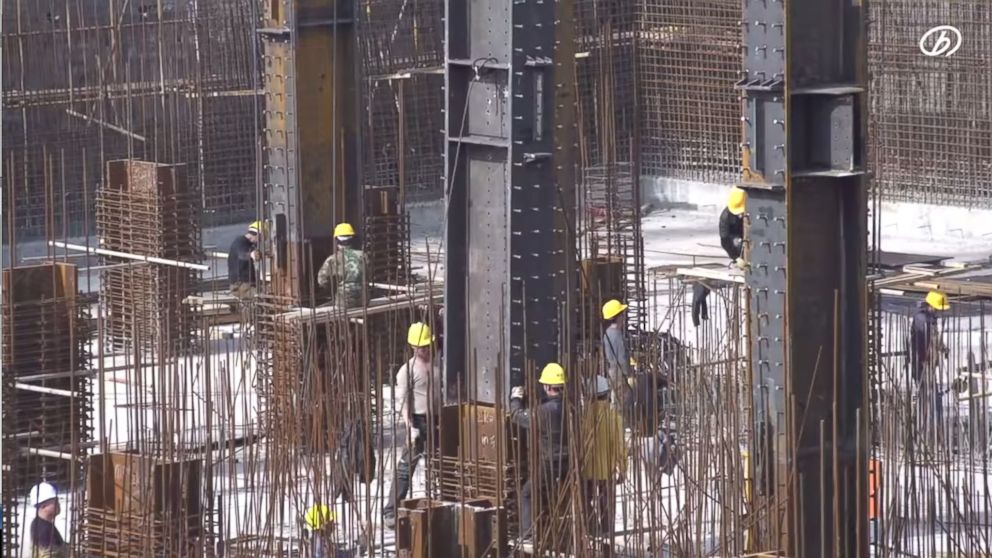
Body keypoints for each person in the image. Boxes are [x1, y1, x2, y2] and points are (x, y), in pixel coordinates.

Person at [382, 322, 442, 529]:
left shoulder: (436, 364)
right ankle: (391, 510)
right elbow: (404, 401)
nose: (425, 350)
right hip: (418, 420)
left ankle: (444, 501)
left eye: (428, 346)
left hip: (436, 420)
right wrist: (410, 428)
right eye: (422, 347)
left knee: (442, 463)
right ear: (414, 347)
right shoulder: (406, 371)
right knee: (406, 468)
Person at [509, 362, 569, 539]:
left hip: (550, 462)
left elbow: (517, 416)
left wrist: (516, 399)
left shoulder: (543, 412)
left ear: (548, 386)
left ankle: (527, 534)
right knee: (555, 493)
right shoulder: (571, 406)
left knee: (528, 493)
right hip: (569, 461)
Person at [581, 376, 627, 536]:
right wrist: (622, 468)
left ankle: (592, 529)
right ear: (607, 394)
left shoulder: (582, 416)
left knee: (585, 502)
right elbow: (620, 445)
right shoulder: (614, 416)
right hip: (607, 470)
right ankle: (607, 533)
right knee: (606, 504)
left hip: (586, 470)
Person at [910, 290, 950, 432]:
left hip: (929, 363)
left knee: (932, 394)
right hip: (922, 365)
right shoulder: (922, 319)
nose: (939, 312)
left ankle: (932, 427)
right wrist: (923, 360)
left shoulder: (930, 318)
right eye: (938, 309)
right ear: (931, 306)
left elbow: (934, 339)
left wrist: (943, 348)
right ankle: (925, 428)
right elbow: (922, 341)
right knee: (927, 396)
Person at [317, 223, 366, 308]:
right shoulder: (363, 256)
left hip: (343, 303)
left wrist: (334, 288)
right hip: (364, 300)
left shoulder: (332, 260)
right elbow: (369, 274)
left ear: (336, 240)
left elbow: (322, 281)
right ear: (352, 239)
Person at [602, 299, 633, 408]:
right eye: (622, 314)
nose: (624, 317)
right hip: (619, 373)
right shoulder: (617, 335)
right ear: (617, 317)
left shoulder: (607, 333)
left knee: (615, 399)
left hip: (612, 371)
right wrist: (627, 375)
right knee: (622, 402)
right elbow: (622, 359)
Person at [29, 482, 67, 558]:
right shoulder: (43, 530)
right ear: (43, 506)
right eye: (55, 502)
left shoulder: (41, 524)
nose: (58, 504)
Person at [228, 221, 264, 298]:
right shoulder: (240, 241)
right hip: (240, 286)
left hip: (245, 284)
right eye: (260, 239)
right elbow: (242, 254)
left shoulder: (247, 244)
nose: (259, 241)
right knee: (264, 294)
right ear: (257, 234)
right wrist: (251, 254)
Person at [719, 187, 746, 269]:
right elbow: (725, 241)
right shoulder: (726, 217)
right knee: (736, 241)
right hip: (737, 237)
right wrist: (735, 257)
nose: (740, 215)